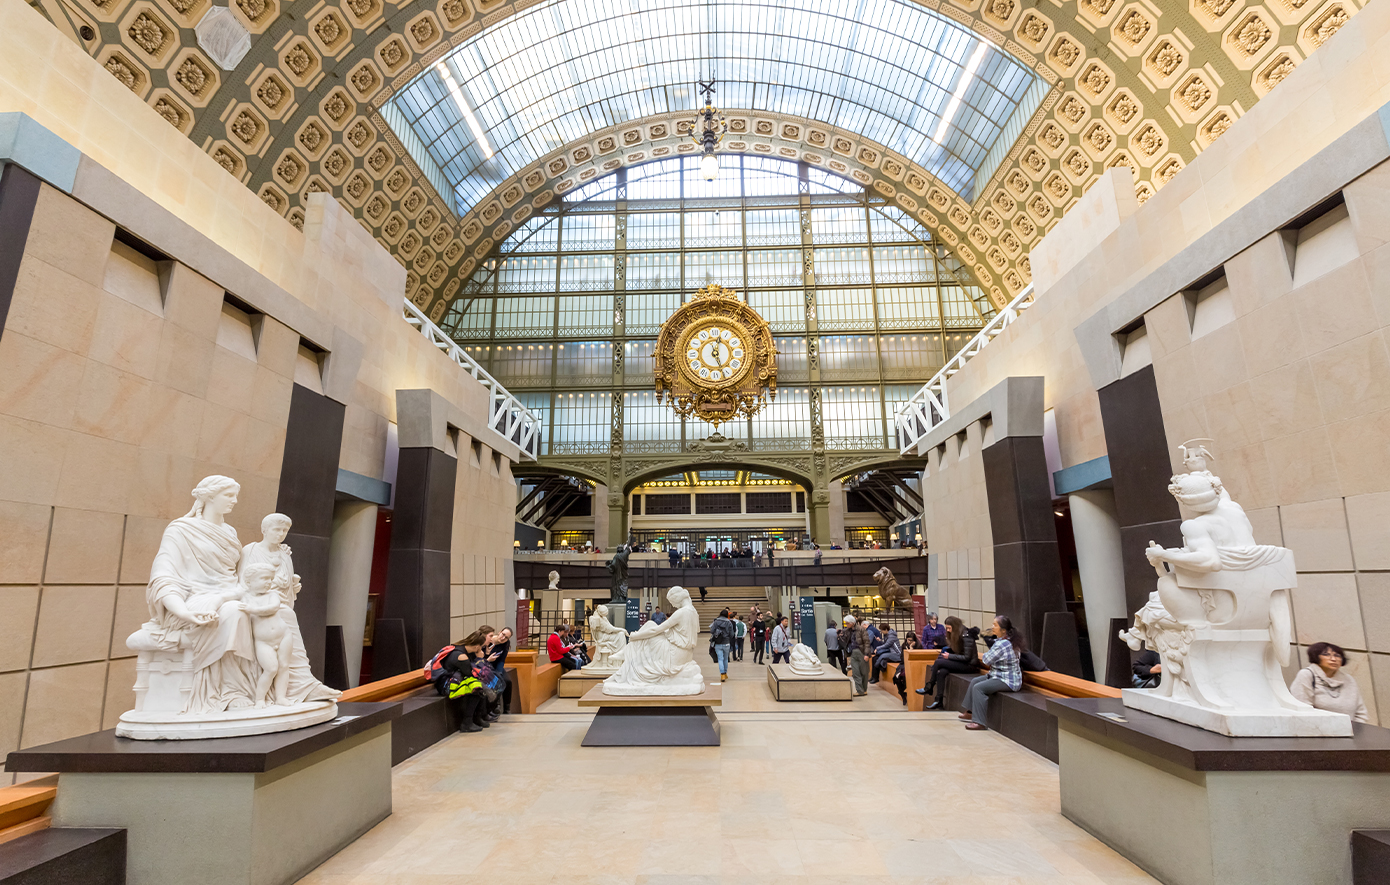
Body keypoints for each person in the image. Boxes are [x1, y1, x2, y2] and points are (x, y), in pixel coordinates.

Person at [960, 616, 1024, 731]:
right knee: (975, 681)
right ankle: (970, 712)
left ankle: (979, 722)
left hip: (1008, 680)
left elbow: (986, 660)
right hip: (998, 675)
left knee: (979, 688)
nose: (992, 627)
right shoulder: (1006, 640)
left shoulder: (1003, 644)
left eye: (995, 625)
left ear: (1003, 630)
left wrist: (987, 653)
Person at [1290, 641, 1369, 722]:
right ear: (1316, 657)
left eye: (1337, 655)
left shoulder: (1348, 680)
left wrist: (1354, 731)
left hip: (1350, 732)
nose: (1333, 659)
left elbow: (1361, 713)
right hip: (1317, 731)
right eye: (1326, 655)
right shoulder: (1306, 675)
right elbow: (1302, 710)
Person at [916, 616, 979, 709]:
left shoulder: (966, 635)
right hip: (961, 662)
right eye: (947, 628)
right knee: (942, 672)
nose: (948, 631)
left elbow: (967, 657)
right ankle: (938, 700)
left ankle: (929, 687)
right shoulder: (958, 635)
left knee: (938, 662)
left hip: (969, 665)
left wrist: (949, 656)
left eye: (949, 628)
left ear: (955, 627)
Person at [845, 616, 871, 696]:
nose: (846, 625)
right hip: (853, 652)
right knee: (855, 672)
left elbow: (867, 642)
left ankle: (864, 689)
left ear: (852, 623)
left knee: (864, 672)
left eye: (847, 623)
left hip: (861, 652)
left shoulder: (861, 630)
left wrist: (866, 654)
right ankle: (860, 690)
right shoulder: (847, 631)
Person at [710, 608, 735, 683]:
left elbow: (712, 631)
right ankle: (725, 672)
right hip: (726, 642)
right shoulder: (729, 623)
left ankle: (722, 674)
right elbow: (732, 634)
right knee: (725, 659)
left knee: (720, 659)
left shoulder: (716, 621)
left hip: (718, 643)